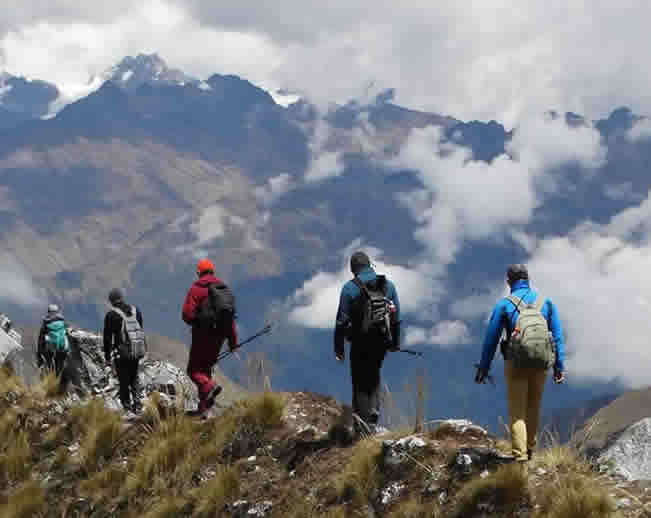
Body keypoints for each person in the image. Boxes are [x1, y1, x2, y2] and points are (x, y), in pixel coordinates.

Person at [475, 264, 565, 470]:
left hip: (515, 363)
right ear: (528, 279)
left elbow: (491, 339)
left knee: (518, 411)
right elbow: (557, 337)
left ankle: (520, 458)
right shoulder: (546, 303)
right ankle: (531, 451)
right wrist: (559, 367)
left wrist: (483, 368)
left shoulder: (504, 305)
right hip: (541, 363)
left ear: (509, 281)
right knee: (533, 407)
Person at [334, 251, 401, 435]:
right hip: (381, 341)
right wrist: (395, 342)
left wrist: (339, 348)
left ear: (353, 269)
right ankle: (373, 417)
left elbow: (341, 321)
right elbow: (396, 319)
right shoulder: (388, 286)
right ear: (370, 265)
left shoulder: (349, 288)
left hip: (359, 342)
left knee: (360, 382)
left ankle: (362, 429)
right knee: (374, 376)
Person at [182, 259, 238, 415]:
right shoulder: (223, 289)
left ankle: (211, 388)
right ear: (213, 271)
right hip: (219, 337)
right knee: (205, 370)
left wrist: (196, 322)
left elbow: (186, 315)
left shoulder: (196, 289)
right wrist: (233, 342)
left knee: (194, 371)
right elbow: (230, 319)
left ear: (199, 273)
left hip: (202, 335)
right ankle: (204, 409)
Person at [104, 288, 145, 413]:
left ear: (111, 301)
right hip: (136, 350)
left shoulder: (111, 315)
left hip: (121, 353)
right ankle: (137, 404)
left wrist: (107, 356)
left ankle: (127, 407)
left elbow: (107, 337)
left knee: (123, 380)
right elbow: (141, 328)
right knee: (134, 377)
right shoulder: (135, 310)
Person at [37, 304, 69, 377]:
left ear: (48, 312)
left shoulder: (46, 322)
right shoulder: (62, 321)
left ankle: (49, 379)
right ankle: (59, 378)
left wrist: (39, 352)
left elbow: (41, 338)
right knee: (59, 364)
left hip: (50, 348)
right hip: (62, 348)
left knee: (49, 364)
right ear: (57, 312)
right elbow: (67, 332)